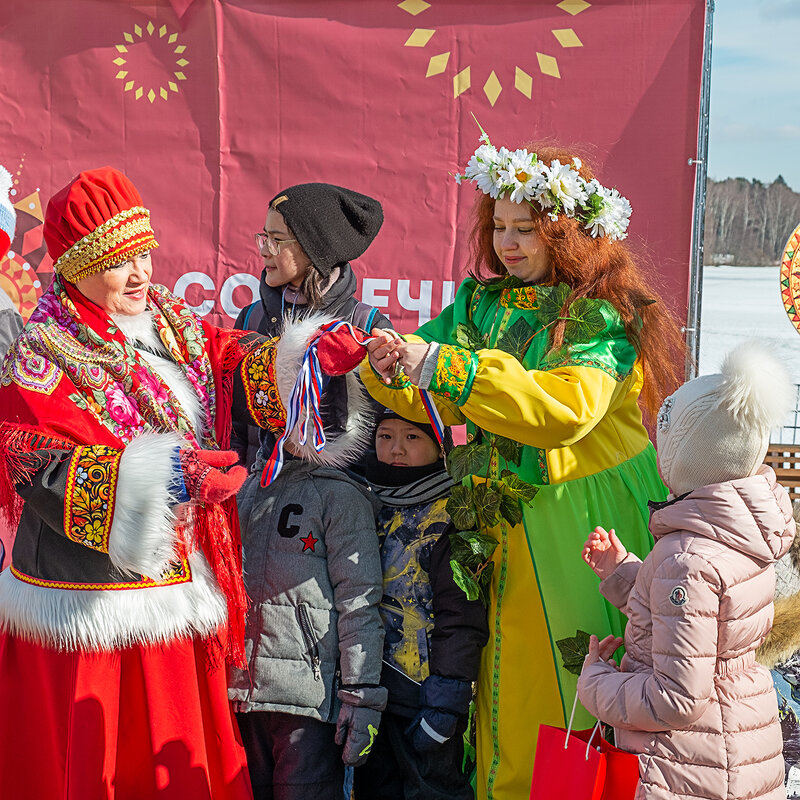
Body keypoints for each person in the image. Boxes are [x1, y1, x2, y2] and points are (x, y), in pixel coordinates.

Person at [0, 166, 365, 800]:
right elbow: (38, 467)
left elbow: (225, 352)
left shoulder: (166, 320)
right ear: (76, 267)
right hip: (93, 606)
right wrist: (174, 475)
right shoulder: (39, 353)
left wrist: (301, 360)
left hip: (177, 589)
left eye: (143, 252)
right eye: (119, 261)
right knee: (97, 763)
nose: (141, 272)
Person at [363, 135, 685, 798]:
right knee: (498, 684)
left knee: (571, 685)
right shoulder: (484, 305)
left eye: (528, 229)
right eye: (500, 227)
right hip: (496, 521)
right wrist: (389, 362)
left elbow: (563, 410)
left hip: (582, 524)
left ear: (567, 231)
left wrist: (444, 364)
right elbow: (430, 383)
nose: (509, 243)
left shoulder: (599, 315)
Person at [578, 342, 795, 800]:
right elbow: (711, 619)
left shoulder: (687, 559)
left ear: (683, 459)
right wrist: (624, 574)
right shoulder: (735, 534)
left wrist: (598, 684)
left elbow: (676, 699)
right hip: (732, 743)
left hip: (687, 767)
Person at [230, 311, 386, 800]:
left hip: (306, 706)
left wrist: (361, 700)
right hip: (237, 697)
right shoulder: (247, 487)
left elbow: (361, 602)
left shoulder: (342, 498)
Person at [352, 408, 487, 800]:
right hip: (371, 691)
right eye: (385, 436)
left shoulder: (453, 516)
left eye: (412, 437)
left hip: (425, 697)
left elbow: (462, 617)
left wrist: (446, 705)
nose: (396, 449)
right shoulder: (363, 504)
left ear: (438, 444)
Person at [233, 182, 390, 468]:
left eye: (277, 240)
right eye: (264, 237)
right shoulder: (251, 319)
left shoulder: (365, 326)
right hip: (256, 493)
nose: (264, 251)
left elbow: (379, 431)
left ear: (314, 248)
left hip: (337, 500)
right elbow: (234, 430)